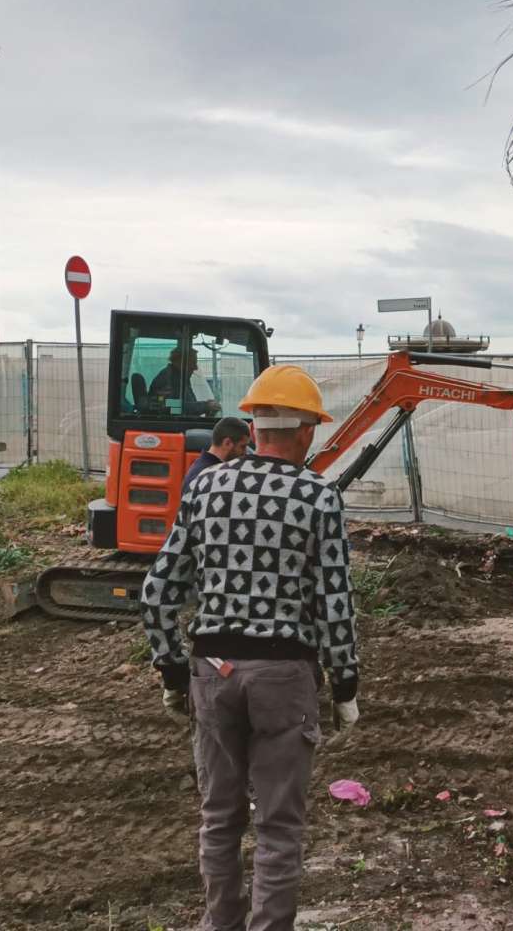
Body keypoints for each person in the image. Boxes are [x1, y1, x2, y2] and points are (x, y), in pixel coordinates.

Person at [140, 363, 359, 931]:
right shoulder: (318, 497)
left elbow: (158, 591)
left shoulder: (206, 485)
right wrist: (346, 685)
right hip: (285, 677)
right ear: (307, 430)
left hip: (212, 668)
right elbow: (334, 602)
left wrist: (171, 674)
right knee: (279, 829)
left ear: (255, 425)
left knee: (219, 820)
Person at [183, 416, 251, 492]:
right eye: (243, 446)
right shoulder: (210, 476)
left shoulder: (202, 469)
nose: (245, 453)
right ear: (227, 443)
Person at [150, 346, 220, 415]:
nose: (195, 367)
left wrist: (207, 408)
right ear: (180, 362)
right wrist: (205, 406)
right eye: (193, 363)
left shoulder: (181, 378)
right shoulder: (166, 379)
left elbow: (185, 406)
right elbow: (169, 407)